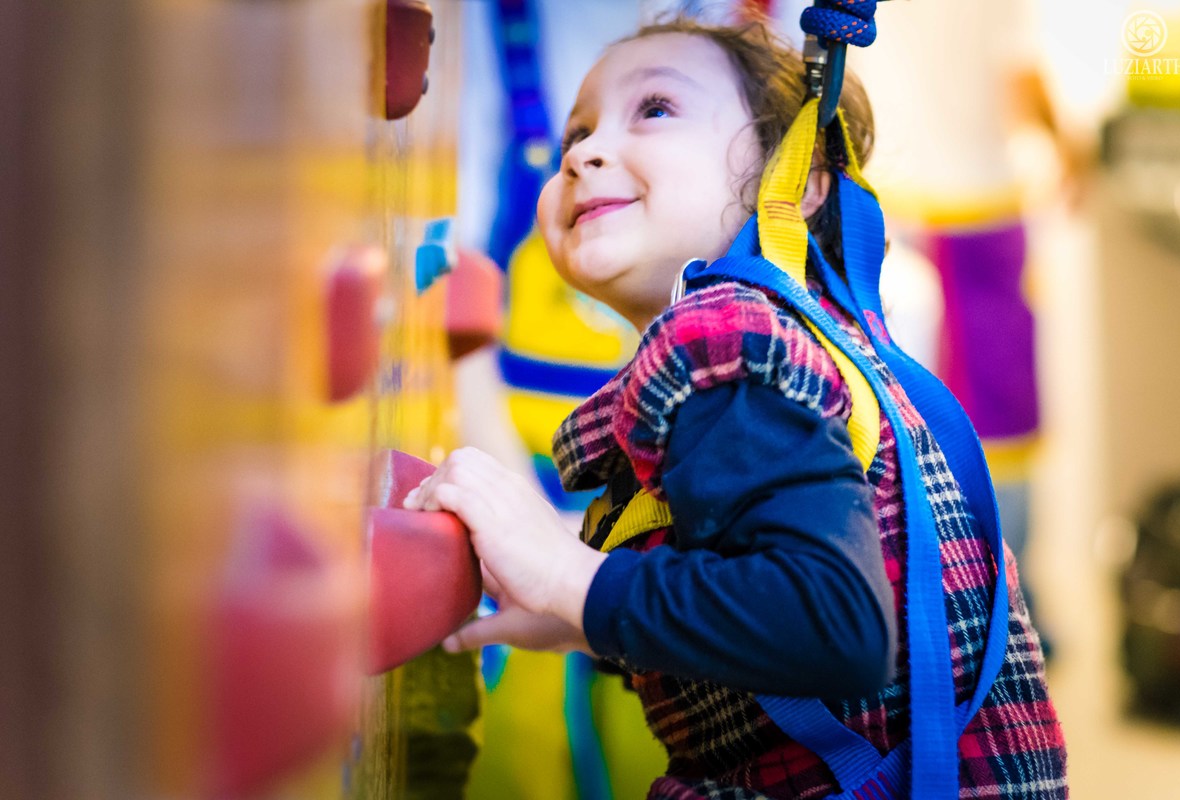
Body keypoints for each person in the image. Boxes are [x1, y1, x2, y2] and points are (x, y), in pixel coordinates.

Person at [405, 16, 1067, 799]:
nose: (582, 153)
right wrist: (585, 619)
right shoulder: (783, 336)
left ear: (797, 181)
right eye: (576, 133)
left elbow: (835, 625)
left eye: (654, 108)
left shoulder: (725, 342)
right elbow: (760, 603)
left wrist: (574, 578)